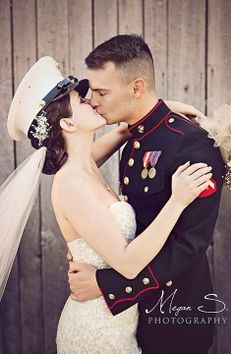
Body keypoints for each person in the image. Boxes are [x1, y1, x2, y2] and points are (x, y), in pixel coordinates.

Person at [0, 56, 213, 354]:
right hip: (96, 330)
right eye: (82, 100)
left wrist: (160, 110)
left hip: (120, 320)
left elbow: (125, 130)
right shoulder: (72, 182)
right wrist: (177, 201)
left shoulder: (84, 164)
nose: (93, 102)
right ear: (67, 122)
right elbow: (126, 262)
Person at [67, 34, 227, 354]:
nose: (93, 101)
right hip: (131, 317)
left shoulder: (193, 145)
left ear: (136, 87)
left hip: (174, 315)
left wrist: (107, 285)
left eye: (101, 92)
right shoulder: (134, 138)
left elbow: (188, 246)